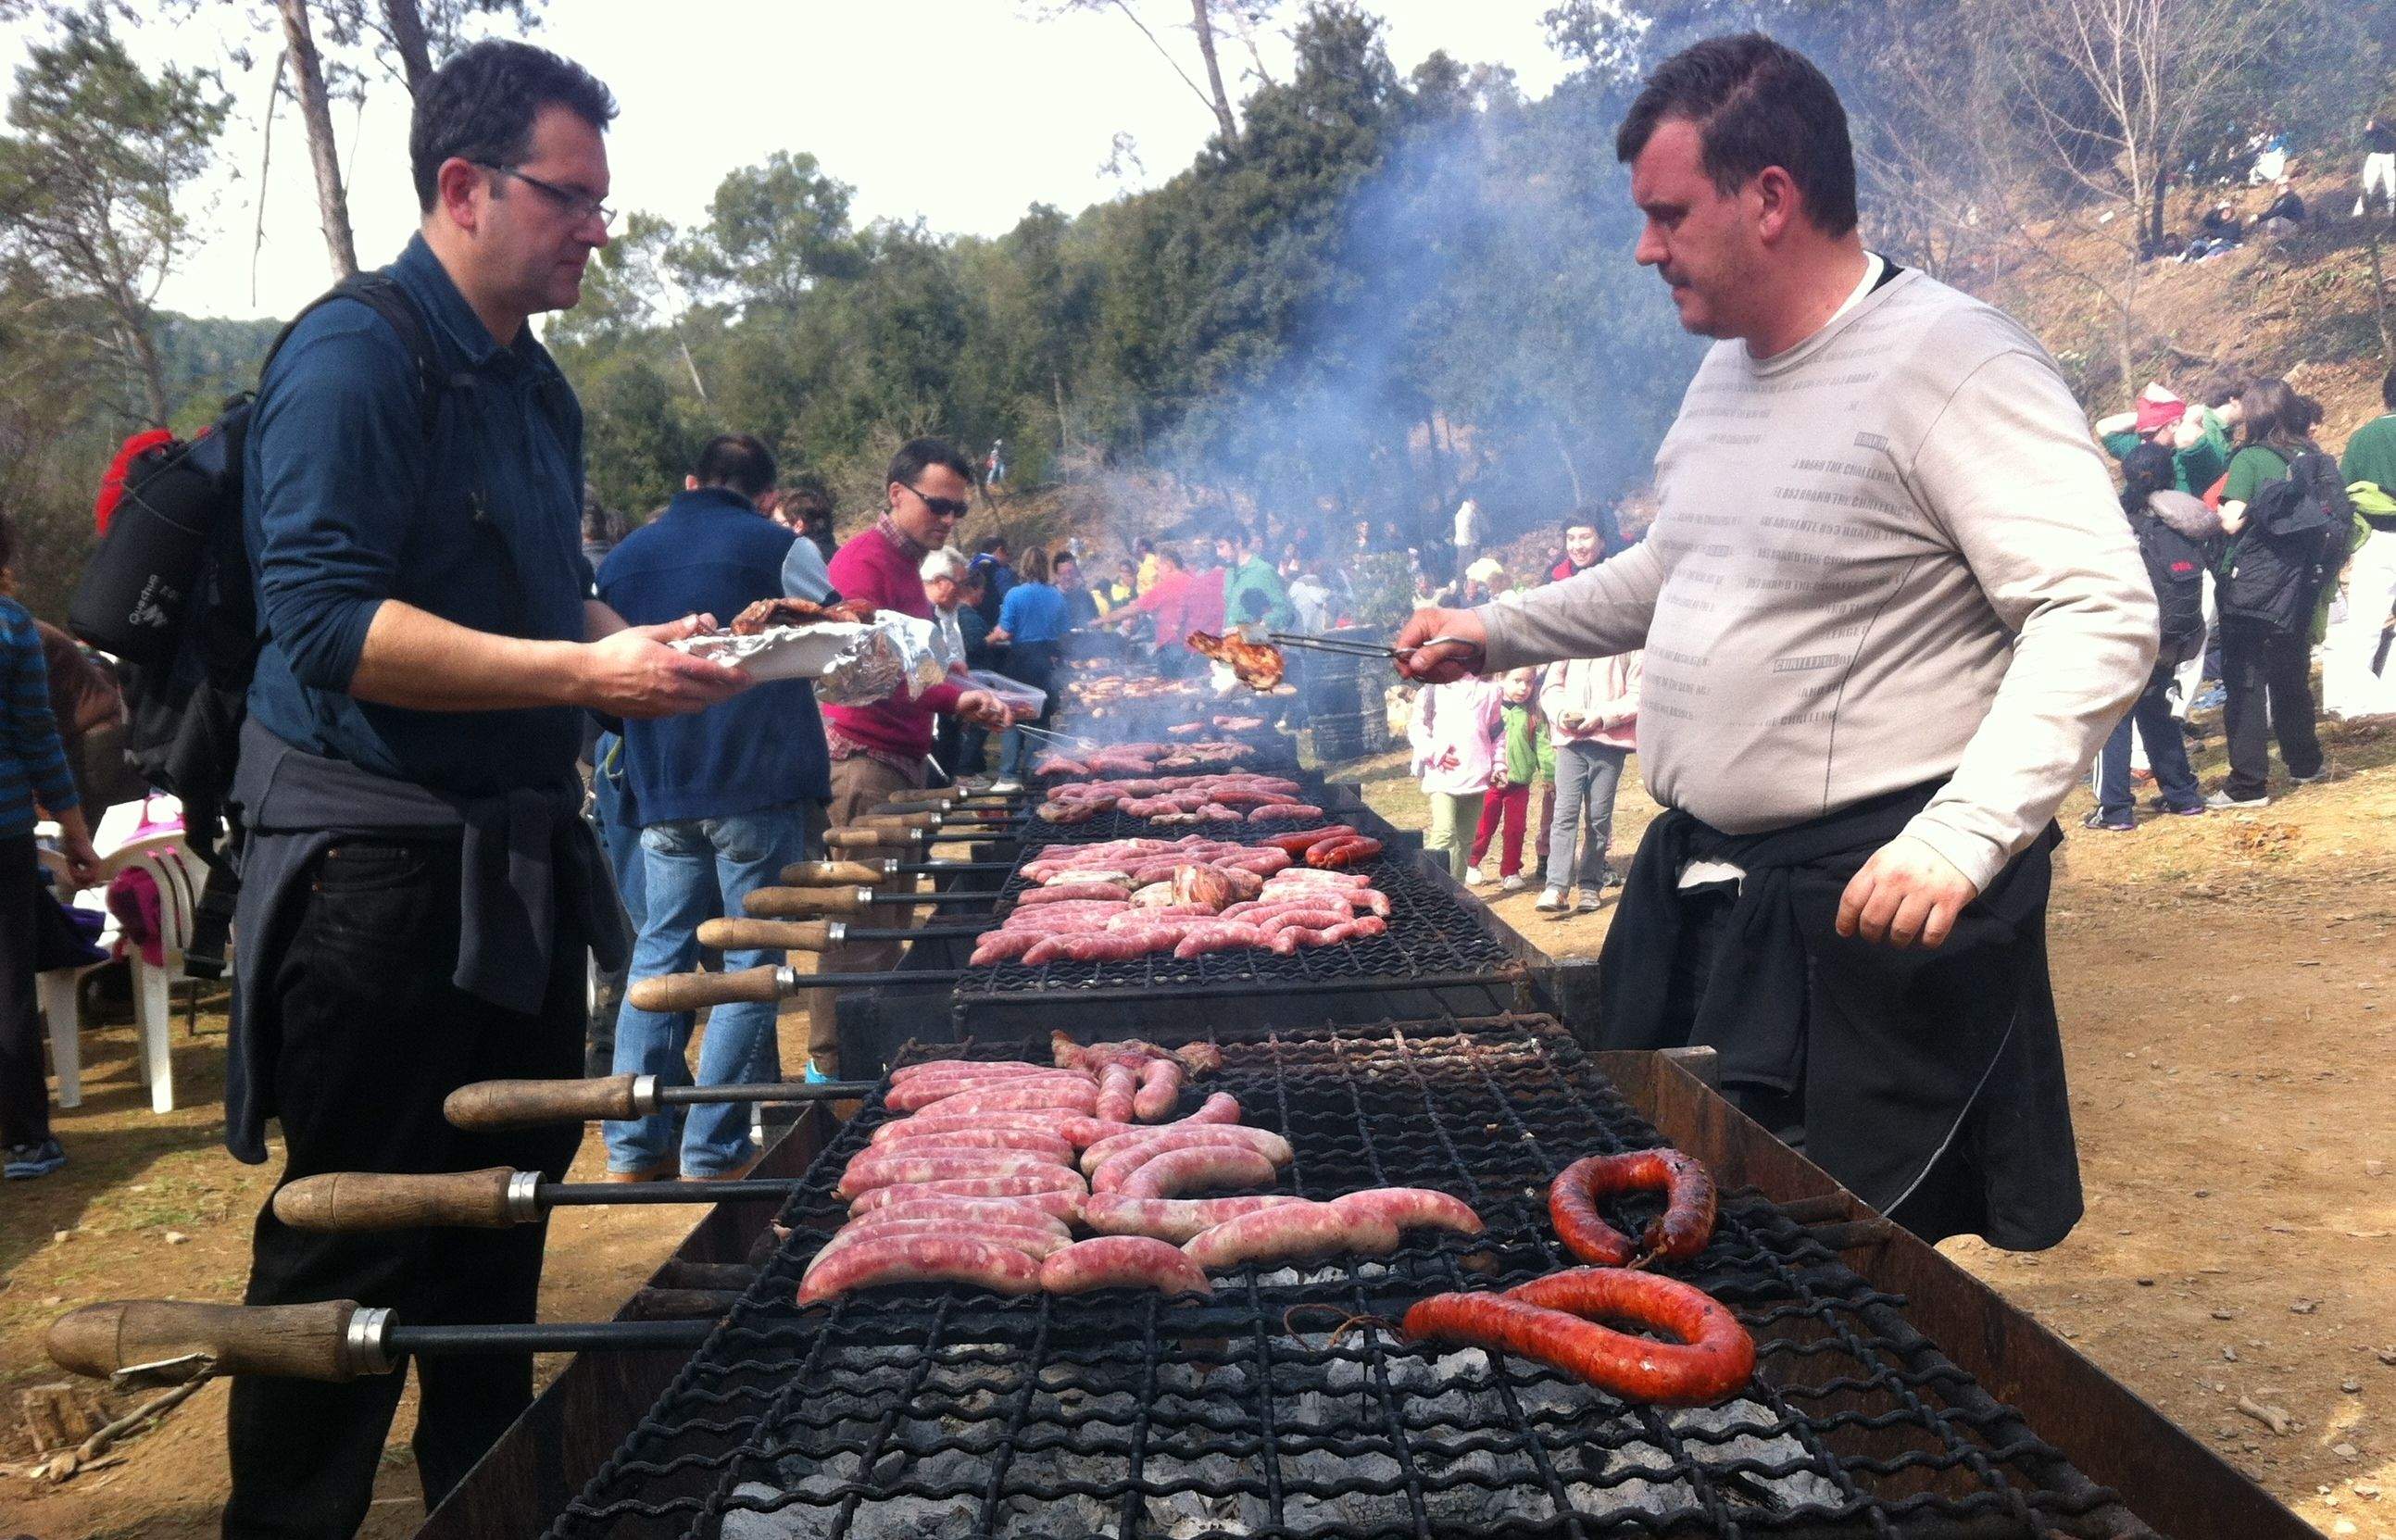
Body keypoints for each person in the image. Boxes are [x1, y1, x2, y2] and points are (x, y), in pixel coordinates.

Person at [1394, 33, 2155, 1253]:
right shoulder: (1722, 377)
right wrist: (1494, 631)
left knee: (1816, 1273)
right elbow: (1679, 567)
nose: (1644, 248)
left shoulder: (1953, 363)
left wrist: (1964, 834)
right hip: (1708, 895)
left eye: (1664, 214)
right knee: (1667, 1218)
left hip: (1856, 912)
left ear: (1767, 199)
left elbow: (2097, 607)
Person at [225, 42, 757, 1538]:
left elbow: (551, 592)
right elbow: (328, 625)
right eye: (569, 196)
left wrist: (632, 643)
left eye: (601, 200)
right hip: (374, 891)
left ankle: (488, 1508)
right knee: (352, 1255)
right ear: (463, 188)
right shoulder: (349, 361)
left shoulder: (538, 390)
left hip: (517, 872)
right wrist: (586, 679)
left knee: (497, 1237)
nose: (597, 227)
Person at [597, 433, 830, 1181]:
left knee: (660, 951)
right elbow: (842, 635)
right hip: (753, 784)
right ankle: (714, 1147)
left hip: (662, 783)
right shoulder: (777, 543)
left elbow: (608, 663)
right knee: (748, 961)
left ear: (690, 479)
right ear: (767, 493)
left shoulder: (624, 557)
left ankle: (633, 1146)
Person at [811, 439, 1012, 1070]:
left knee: (889, 921)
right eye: (938, 505)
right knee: (856, 927)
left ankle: (864, 1057)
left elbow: (921, 660)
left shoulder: (909, 567)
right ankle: (830, 1066)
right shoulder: (859, 563)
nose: (949, 520)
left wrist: (969, 683)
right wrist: (957, 700)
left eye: (957, 510)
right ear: (896, 493)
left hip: (900, 758)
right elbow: (868, 670)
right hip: (862, 761)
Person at [1, 515, 103, 1182]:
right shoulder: (12, 627)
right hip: (5, 827)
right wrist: (75, 830)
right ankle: (27, 1140)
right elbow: (40, 738)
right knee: (8, 981)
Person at [2208, 379, 2331, 807]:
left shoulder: (2252, 458)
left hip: (2253, 584)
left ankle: (2247, 784)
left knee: (2244, 680)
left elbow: (2231, 521)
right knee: (2291, 674)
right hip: (2301, 581)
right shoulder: (2311, 456)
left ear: (2253, 414)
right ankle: (2305, 763)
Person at [2087, 443, 2211, 829]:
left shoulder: (2119, 522)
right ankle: (2183, 795)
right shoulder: (2184, 519)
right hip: (2173, 636)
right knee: (2158, 713)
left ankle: (2115, 810)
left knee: (2112, 720)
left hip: (2129, 634)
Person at [1537, 645, 1641, 915]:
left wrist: (1603, 717)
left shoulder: (1629, 643)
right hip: (1570, 742)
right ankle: (1557, 886)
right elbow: (1551, 687)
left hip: (1608, 743)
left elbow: (1639, 693)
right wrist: (1561, 713)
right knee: (1564, 814)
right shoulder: (1572, 639)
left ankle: (1590, 885)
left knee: (1598, 818)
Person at [2330, 365, 2396, 720]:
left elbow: (2344, 494)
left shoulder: (2361, 438)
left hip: (2374, 539)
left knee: (2365, 625)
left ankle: (2355, 700)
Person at [986, 547, 1070, 793]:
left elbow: (1006, 631)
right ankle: (1035, 769)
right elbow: (1064, 630)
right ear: (1046, 567)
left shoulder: (1014, 594)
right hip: (1047, 661)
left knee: (1013, 716)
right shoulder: (1056, 596)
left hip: (1020, 661)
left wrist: (986, 639)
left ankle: (1009, 775)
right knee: (1042, 716)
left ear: (1023, 567)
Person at [1409, 671, 1500, 882]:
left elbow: (1497, 733)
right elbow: (1416, 728)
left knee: (1465, 840)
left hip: (1476, 777)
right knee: (1444, 832)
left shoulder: (1491, 690)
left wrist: (1499, 765)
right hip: (1442, 777)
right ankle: (1427, 885)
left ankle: (1456, 890)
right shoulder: (1432, 689)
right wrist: (1435, 752)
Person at [1467, 668, 1543, 893]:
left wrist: (1548, 774)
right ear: (1501, 678)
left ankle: (1510, 871)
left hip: (1519, 783)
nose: (1523, 688)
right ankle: (1471, 862)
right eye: (1517, 680)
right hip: (1491, 782)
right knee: (1483, 825)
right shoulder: (1491, 708)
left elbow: (1543, 745)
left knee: (1515, 829)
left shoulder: (1532, 713)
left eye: (1528, 682)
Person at [1219, 530, 1294, 634]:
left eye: (1221, 547)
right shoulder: (1229, 573)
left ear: (1237, 542)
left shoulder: (1263, 571)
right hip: (1230, 646)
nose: (1218, 553)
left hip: (1255, 647)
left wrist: (1248, 630)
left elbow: (1283, 612)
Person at [970, 535, 1016, 627]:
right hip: (995, 621)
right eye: (1007, 554)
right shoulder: (999, 571)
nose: (1008, 559)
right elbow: (1010, 598)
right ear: (999, 550)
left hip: (974, 619)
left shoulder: (971, 566)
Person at [2357, 117, 2396, 219]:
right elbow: (2366, 134)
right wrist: (2369, 126)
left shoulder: (2391, 123)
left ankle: (2392, 214)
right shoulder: (2378, 120)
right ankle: (2358, 214)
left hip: (2390, 157)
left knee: (2391, 187)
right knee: (2368, 186)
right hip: (2375, 157)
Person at [1055, 550, 1102, 629]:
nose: (1068, 577)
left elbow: (1096, 619)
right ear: (1056, 576)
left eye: (1070, 572)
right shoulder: (1051, 598)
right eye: (1063, 574)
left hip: (1087, 638)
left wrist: (1096, 623)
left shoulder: (1085, 595)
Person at [1451, 492, 1483, 582]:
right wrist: (1471, 543)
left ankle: (1461, 589)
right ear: (1472, 501)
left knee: (1461, 569)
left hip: (1462, 545)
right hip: (1468, 545)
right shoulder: (1468, 512)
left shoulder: (1462, 511)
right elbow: (1465, 528)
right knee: (1470, 570)